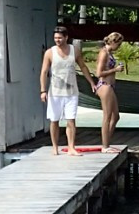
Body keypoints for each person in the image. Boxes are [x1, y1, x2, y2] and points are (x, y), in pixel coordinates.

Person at [39, 23, 86, 155]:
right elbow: (43, 72)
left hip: (72, 91)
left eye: (60, 38)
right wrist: (43, 91)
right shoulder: (50, 52)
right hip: (55, 92)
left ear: (66, 37)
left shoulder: (74, 50)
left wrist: (92, 83)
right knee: (54, 120)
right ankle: (55, 147)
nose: (57, 40)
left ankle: (71, 147)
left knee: (71, 119)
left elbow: (83, 67)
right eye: (55, 38)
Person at [93, 30, 125, 148]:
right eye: (119, 44)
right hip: (104, 85)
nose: (119, 47)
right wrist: (115, 70)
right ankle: (105, 147)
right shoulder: (104, 53)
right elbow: (98, 73)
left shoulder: (109, 53)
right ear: (113, 42)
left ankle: (106, 142)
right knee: (107, 117)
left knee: (116, 116)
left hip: (111, 86)